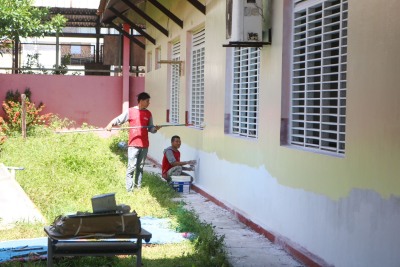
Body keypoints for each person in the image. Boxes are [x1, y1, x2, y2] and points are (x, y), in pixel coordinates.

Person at [106, 92, 161, 192]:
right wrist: (110, 124)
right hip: (133, 145)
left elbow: (151, 129)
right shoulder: (130, 111)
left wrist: (155, 128)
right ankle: (129, 190)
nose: (149, 103)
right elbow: (119, 119)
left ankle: (138, 187)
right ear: (141, 101)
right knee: (131, 167)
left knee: (140, 167)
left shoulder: (148, 113)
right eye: (147, 101)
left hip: (144, 145)